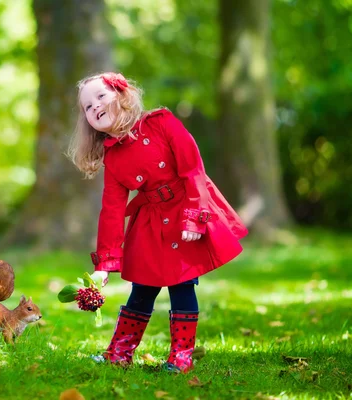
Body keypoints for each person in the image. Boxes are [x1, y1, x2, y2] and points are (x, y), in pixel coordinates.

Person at [68, 72, 248, 373]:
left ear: (122, 95)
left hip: (184, 210)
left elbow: (193, 169)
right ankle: (120, 353)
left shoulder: (162, 123)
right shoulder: (113, 158)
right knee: (142, 289)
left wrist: (194, 217)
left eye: (100, 96)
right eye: (87, 106)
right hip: (150, 224)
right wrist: (104, 264)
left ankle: (181, 356)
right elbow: (111, 209)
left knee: (182, 285)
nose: (94, 106)